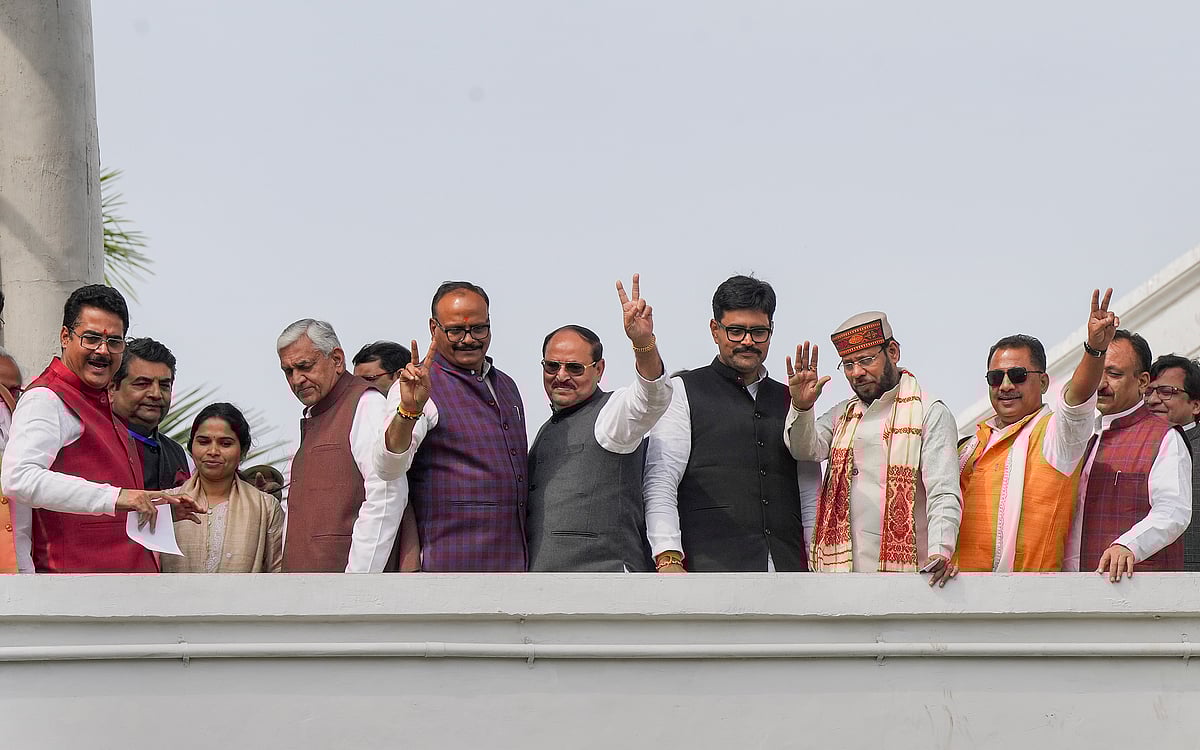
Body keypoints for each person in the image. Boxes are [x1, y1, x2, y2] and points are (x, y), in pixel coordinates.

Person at [0, 284, 203, 573]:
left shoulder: (99, 402)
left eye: (114, 342)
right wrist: (119, 496)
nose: (103, 351)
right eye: (92, 338)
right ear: (65, 337)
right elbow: (18, 478)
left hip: (117, 593)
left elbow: (104, 506)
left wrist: (157, 506)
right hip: (76, 595)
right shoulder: (47, 398)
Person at [643, 274, 811, 573]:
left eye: (758, 332)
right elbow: (661, 479)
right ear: (715, 330)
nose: (748, 341)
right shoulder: (683, 390)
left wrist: (817, 563)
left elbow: (809, 491)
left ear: (771, 331)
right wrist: (668, 556)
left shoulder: (791, 397)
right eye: (736, 331)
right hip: (709, 569)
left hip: (788, 571)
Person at [784, 312, 962, 585]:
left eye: (866, 360)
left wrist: (941, 550)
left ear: (893, 352)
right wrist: (802, 407)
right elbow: (806, 450)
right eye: (848, 364)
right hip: (840, 574)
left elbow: (943, 490)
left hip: (908, 575)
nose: (857, 373)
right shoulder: (841, 414)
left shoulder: (929, 411)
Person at [956, 289, 1117, 572]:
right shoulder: (968, 447)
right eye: (996, 378)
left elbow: (1077, 400)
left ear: (1043, 383)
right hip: (958, 599)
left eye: (1017, 375)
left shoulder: (1056, 436)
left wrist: (1095, 350)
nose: (1005, 386)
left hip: (1029, 602)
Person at [374, 281, 528, 572]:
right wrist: (408, 410)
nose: (468, 339)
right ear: (434, 328)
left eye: (478, 329)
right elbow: (388, 467)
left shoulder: (507, 386)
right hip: (448, 567)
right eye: (456, 330)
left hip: (513, 566)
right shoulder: (417, 385)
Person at [526, 275, 673, 572]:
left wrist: (643, 344)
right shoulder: (546, 429)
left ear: (599, 369)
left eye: (575, 368)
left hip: (605, 588)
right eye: (552, 366)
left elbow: (650, 399)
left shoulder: (611, 414)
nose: (561, 376)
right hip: (545, 593)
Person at [277, 318, 404, 573]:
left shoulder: (366, 403)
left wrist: (357, 583)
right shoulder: (316, 415)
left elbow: (386, 495)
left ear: (336, 360)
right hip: (307, 591)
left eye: (304, 366)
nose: (296, 379)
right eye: (288, 371)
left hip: (345, 592)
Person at [1065, 331, 1191, 580]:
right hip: (1072, 590)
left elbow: (1173, 511)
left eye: (1114, 374)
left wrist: (1129, 545)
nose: (1100, 384)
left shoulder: (1163, 436)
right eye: (1097, 372)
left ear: (1143, 382)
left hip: (1134, 594)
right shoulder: (1084, 437)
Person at [162, 403, 283, 573]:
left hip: (246, 600)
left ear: (243, 450)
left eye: (225, 444)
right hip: (173, 599)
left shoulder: (266, 507)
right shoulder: (167, 502)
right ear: (191, 447)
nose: (213, 451)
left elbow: (279, 574)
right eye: (203, 442)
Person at [351, 340, 420, 572]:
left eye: (369, 380)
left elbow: (390, 475)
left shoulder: (412, 399)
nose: (361, 389)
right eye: (356, 382)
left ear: (399, 375)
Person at [109, 337, 193, 491]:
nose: (156, 394)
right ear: (112, 388)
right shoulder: (90, 441)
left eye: (164, 385)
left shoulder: (181, 456)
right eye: (142, 384)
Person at [1145, 354, 1200, 570]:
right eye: (1148, 392)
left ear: (1195, 405)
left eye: (1166, 392)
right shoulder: (1132, 445)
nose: (1153, 400)